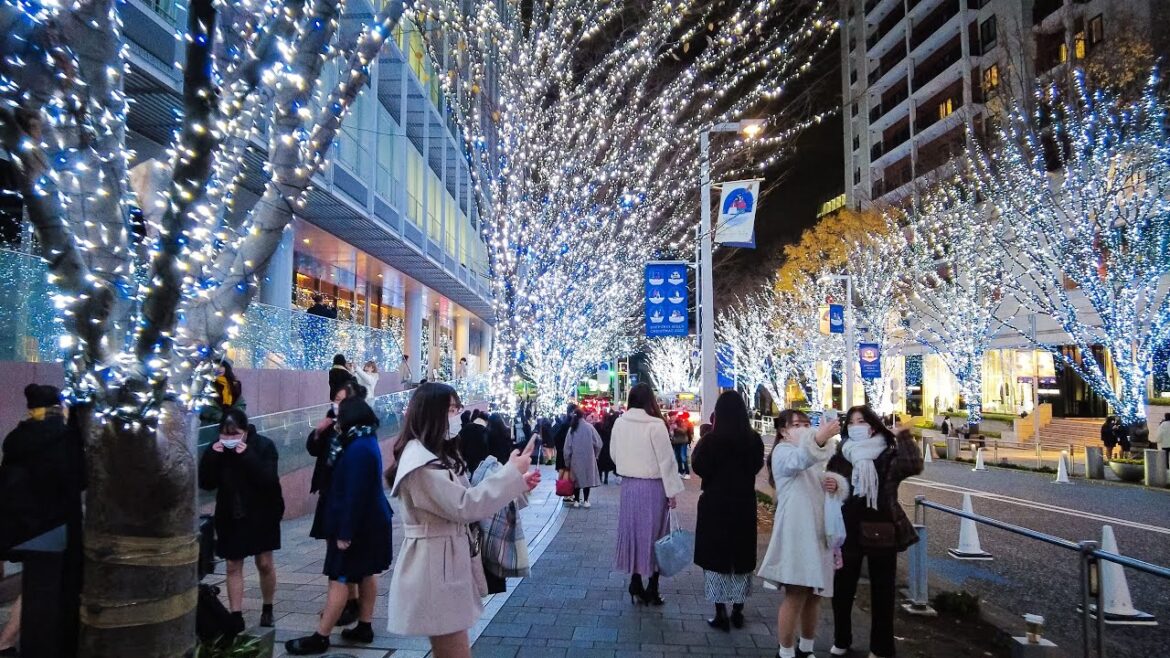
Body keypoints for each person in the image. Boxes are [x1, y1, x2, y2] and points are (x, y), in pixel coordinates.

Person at [385, 382, 540, 657]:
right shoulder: (421, 465)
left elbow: (468, 498)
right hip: (436, 569)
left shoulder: (432, 457)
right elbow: (465, 505)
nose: (457, 415)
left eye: (457, 408)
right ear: (433, 413)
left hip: (442, 563)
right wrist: (511, 475)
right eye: (452, 409)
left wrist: (517, 481)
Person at [286, 398, 393, 654]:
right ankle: (364, 626)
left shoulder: (357, 447)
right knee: (367, 572)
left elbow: (354, 494)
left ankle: (321, 636)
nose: (336, 420)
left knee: (339, 578)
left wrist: (345, 533)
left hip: (358, 525)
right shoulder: (365, 439)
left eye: (339, 414)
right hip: (370, 522)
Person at [827, 406, 924, 658]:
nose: (856, 425)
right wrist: (830, 484)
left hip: (882, 529)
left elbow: (913, 465)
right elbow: (829, 486)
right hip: (847, 529)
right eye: (851, 422)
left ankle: (880, 647)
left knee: (883, 592)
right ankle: (841, 639)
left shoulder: (888, 456)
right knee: (842, 590)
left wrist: (903, 435)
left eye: (861, 421)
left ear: (872, 426)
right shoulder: (841, 456)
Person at [0, 384, 85, 655]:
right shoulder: (64, 438)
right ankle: (14, 643)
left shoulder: (16, 438)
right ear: (57, 407)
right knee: (44, 592)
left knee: (32, 585)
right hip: (54, 527)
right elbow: (77, 479)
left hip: (22, 525)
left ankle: (8, 642)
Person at [756, 410, 846, 657]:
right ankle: (786, 651)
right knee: (796, 594)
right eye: (797, 424)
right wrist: (819, 439)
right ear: (783, 431)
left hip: (819, 533)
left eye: (807, 423)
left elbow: (820, 479)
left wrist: (836, 484)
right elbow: (799, 460)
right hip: (796, 533)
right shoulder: (783, 452)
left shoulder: (815, 456)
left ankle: (806, 647)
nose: (804, 428)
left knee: (816, 595)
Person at [199, 408, 284, 632]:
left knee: (264, 563)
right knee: (232, 564)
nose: (229, 439)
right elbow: (206, 483)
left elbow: (268, 480)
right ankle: (236, 614)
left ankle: (268, 607)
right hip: (230, 515)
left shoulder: (263, 446)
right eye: (224, 435)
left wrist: (246, 455)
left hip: (262, 514)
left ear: (245, 431)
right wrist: (212, 456)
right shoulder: (216, 449)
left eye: (234, 434)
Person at [692, 392, 766, 632]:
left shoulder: (711, 441)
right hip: (743, 504)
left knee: (716, 558)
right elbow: (756, 466)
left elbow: (699, 466)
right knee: (741, 557)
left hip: (715, 504)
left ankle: (719, 610)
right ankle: (738, 609)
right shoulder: (753, 440)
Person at [610, 383, 684, 606]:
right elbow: (666, 461)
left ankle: (635, 581)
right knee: (656, 535)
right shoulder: (655, 425)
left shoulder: (620, 423)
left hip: (629, 487)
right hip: (653, 487)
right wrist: (671, 491)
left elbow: (614, 453)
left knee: (633, 532)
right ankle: (653, 586)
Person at [305, 381, 362, 626]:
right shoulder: (331, 423)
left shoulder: (358, 430)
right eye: (335, 399)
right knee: (334, 552)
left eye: (342, 400)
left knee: (341, 558)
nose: (337, 405)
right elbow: (314, 449)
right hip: (329, 495)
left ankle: (345, 606)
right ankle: (346, 604)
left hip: (345, 500)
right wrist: (319, 431)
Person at [563, 407, 603, 508]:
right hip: (589, 458)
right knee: (587, 479)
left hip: (575, 459)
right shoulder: (589, 427)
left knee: (576, 480)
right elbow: (598, 443)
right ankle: (586, 500)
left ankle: (576, 500)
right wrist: (596, 455)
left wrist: (567, 461)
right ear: (583, 416)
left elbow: (567, 448)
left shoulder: (572, 429)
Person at [200, 358, 245, 427]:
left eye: (221, 366)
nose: (219, 369)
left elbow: (240, 403)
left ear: (226, 367)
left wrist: (234, 416)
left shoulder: (234, 384)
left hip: (231, 424)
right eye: (216, 367)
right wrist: (221, 417)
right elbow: (205, 406)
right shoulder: (208, 384)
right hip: (212, 424)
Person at [456, 409, 490, 474]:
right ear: (486, 421)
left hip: (464, 458)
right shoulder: (485, 431)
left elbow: (459, 440)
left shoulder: (467, 426)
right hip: (478, 461)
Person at [669, 412, 694, 479]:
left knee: (683, 457)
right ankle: (680, 472)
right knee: (677, 457)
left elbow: (684, 431)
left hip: (683, 441)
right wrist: (670, 430)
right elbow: (670, 433)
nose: (672, 418)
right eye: (671, 417)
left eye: (673, 416)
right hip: (675, 442)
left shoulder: (681, 421)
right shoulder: (670, 422)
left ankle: (687, 473)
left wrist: (676, 428)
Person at [597, 411, 617, 485]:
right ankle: (606, 477)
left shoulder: (599, 425)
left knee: (600, 463)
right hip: (608, 446)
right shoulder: (611, 426)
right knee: (606, 464)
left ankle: (600, 477)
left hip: (601, 446)